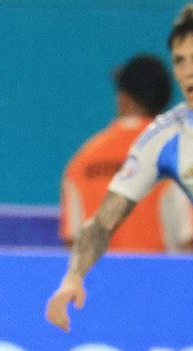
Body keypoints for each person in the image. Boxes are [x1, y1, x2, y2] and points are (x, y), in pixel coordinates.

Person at [47, 5, 193, 331]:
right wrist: (73, 276)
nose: (188, 72)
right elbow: (101, 224)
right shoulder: (164, 141)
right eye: (180, 61)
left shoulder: (84, 157)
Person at [60, 54, 190, 254]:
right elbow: (188, 241)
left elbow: (72, 247)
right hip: (160, 283)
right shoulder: (176, 153)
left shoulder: (82, 161)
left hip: (98, 283)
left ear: (124, 98)